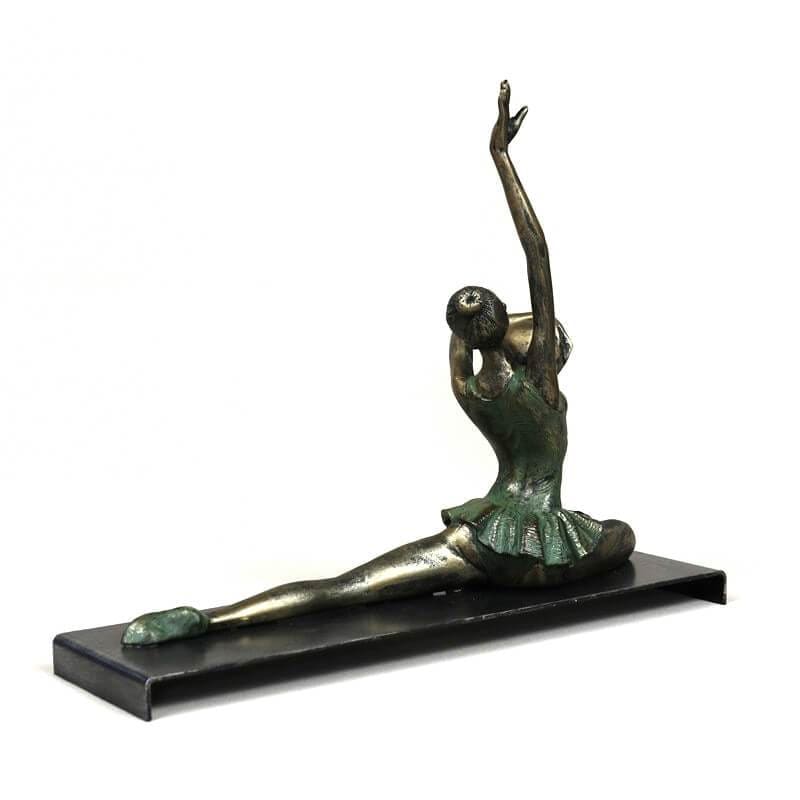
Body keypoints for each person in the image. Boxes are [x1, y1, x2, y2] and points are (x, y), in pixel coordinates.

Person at [122, 81, 634, 646]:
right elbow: (537, 250)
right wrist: (502, 158)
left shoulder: (468, 389)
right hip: (541, 548)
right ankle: (209, 621)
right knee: (622, 536)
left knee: (347, 587)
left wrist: (467, 317)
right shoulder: (539, 381)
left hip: (476, 537)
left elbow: (463, 333)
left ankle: (210, 619)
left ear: (462, 335)